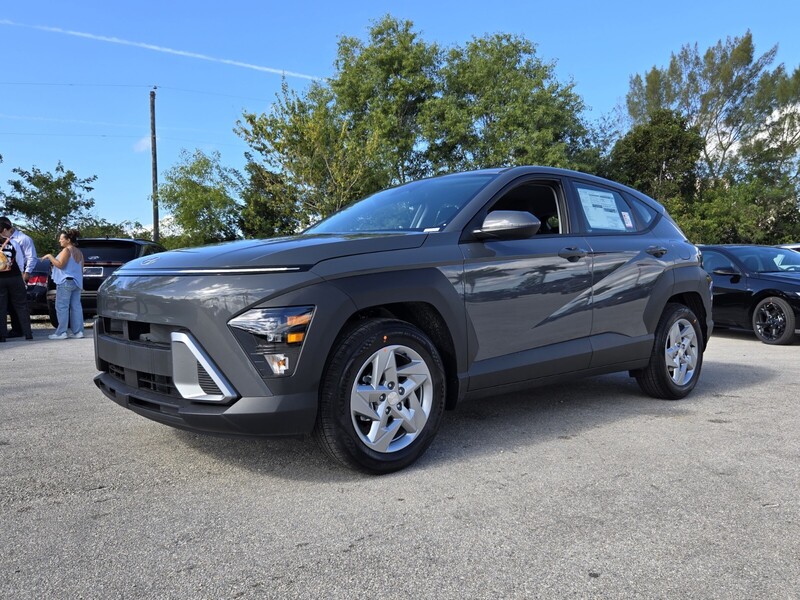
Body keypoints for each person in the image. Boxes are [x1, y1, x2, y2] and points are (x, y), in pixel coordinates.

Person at [41, 229, 85, 340]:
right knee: (76, 307)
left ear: (68, 240)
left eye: (61, 238)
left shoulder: (66, 250)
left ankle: (61, 332)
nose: (60, 241)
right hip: (77, 282)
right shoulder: (79, 252)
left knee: (61, 307)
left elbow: (60, 265)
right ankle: (78, 332)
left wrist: (49, 256)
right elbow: (80, 268)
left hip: (66, 281)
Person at [0, 217, 38, 337]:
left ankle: (2, 335)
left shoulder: (23, 238)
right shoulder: (14, 242)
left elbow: (31, 257)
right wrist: (21, 273)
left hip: (1, 278)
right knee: (21, 306)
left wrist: (26, 272)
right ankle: (27, 333)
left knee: (1, 307)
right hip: (15, 276)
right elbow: (20, 260)